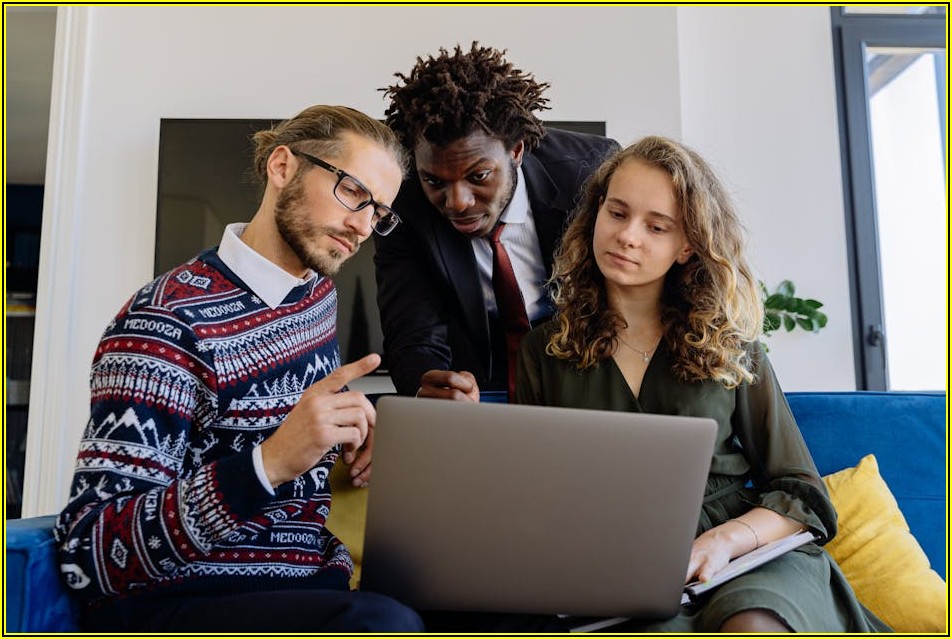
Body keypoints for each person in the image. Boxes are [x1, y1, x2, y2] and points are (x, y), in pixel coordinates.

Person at [53, 105, 425, 633]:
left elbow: (272, 419)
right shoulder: (163, 322)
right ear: (282, 167)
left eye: (379, 212)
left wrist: (349, 426)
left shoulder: (315, 296)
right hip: (182, 599)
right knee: (384, 625)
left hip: (305, 585)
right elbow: (91, 553)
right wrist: (269, 462)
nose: (363, 225)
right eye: (353, 192)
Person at [515, 136, 891, 633]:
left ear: (687, 244)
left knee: (754, 623)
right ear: (596, 215)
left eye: (657, 226)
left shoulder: (730, 346)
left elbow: (801, 492)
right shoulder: (545, 349)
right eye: (617, 213)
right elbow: (533, 498)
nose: (628, 236)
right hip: (621, 563)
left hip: (747, 555)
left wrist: (724, 542)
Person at [376, 42, 620, 401]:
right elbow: (413, 333)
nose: (457, 202)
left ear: (517, 150)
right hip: (479, 382)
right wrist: (429, 387)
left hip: (585, 373)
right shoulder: (403, 201)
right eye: (435, 181)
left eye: (478, 176)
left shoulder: (590, 172)